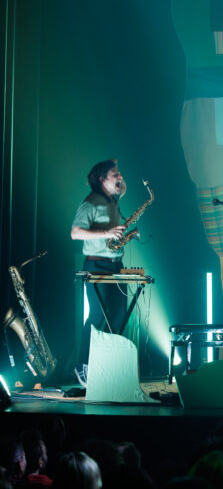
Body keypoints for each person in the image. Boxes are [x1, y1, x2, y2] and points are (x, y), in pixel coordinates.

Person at [70, 159, 128, 387]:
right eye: (115, 174)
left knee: (119, 316)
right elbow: (75, 233)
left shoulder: (113, 198)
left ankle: (108, 365)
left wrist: (117, 174)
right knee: (97, 315)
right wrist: (106, 233)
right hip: (97, 265)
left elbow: (123, 187)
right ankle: (82, 365)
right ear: (102, 179)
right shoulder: (90, 203)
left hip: (116, 265)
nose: (120, 177)